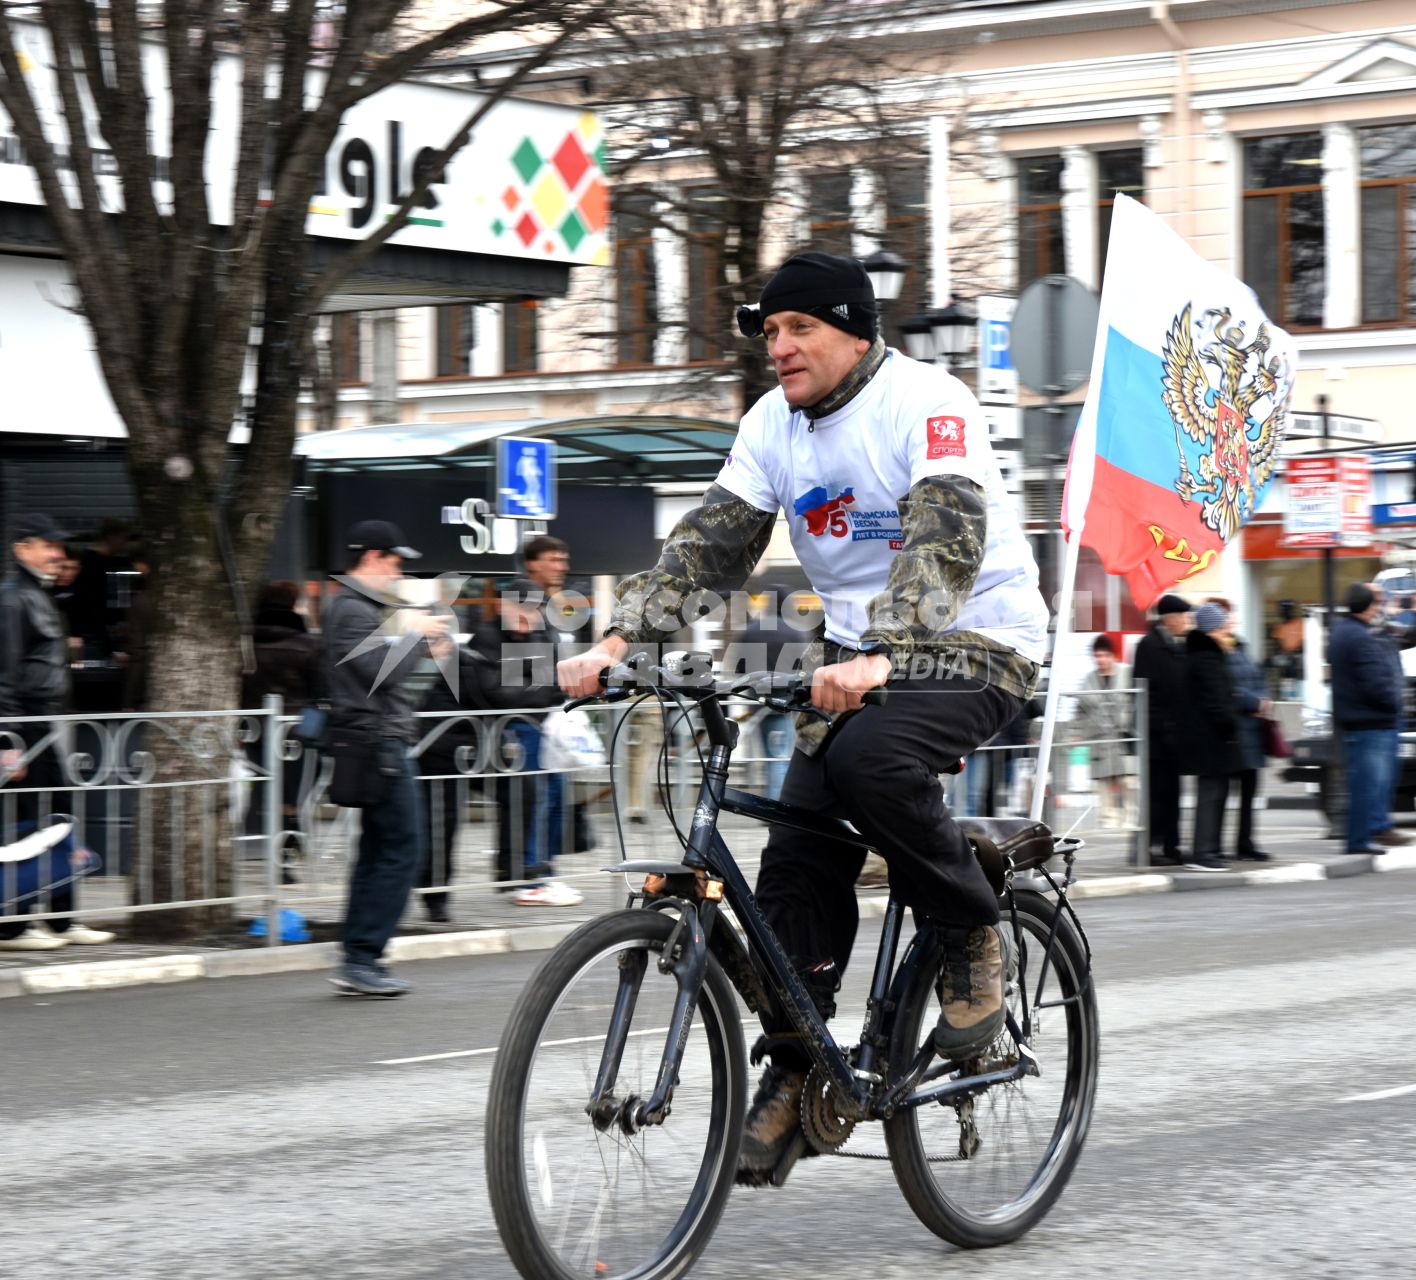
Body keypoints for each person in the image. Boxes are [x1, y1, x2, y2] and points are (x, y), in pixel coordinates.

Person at [558, 250, 1049, 1181]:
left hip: (974, 641)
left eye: (797, 330)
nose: (778, 349)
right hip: (855, 656)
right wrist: (616, 644)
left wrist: (886, 651)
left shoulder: (926, 402)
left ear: (852, 330)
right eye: (769, 333)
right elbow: (710, 545)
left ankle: (971, 930)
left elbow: (944, 531)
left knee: (871, 766)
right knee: (792, 857)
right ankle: (802, 1067)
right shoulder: (771, 426)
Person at [324, 520, 451, 996]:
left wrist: (423, 645)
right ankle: (363, 956)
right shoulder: (353, 609)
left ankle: (359, 955)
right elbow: (378, 671)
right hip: (378, 746)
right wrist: (417, 636)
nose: (399, 574)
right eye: (395, 563)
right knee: (401, 850)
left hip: (382, 741)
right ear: (373, 558)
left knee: (378, 851)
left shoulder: (360, 608)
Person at [0, 513, 116, 950]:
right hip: (24, 724)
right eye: (48, 546)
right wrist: (7, 743)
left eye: (59, 547)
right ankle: (12, 925)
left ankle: (63, 920)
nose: (56, 555)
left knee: (57, 818)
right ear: (22, 548)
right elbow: (3, 675)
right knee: (27, 824)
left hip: (40, 722)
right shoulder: (13, 599)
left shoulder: (36, 595)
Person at [478, 576, 584, 906]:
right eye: (520, 607)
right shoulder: (488, 636)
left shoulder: (541, 633)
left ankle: (542, 870)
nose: (528, 615)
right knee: (532, 799)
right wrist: (540, 689)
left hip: (545, 728)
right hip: (513, 731)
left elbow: (555, 679)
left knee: (554, 796)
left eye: (534, 608)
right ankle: (528, 874)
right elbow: (499, 691)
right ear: (502, 606)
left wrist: (537, 687)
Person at [241, 581, 324, 880]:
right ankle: (287, 849)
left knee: (270, 788)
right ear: (292, 605)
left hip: (256, 728)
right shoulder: (308, 645)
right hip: (298, 730)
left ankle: (282, 847)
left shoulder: (245, 643)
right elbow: (321, 690)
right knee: (294, 792)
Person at [1330, 582, 1402, 856]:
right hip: (1371, 722)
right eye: (1375, 604)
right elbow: (1374, 684)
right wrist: (1394, 703)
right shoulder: (1360, 638)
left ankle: (1359, 838)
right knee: (1367, 786)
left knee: (1364, 783)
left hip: (1360, 721)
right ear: (1367, 607)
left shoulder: (1342, 631)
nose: (1377, 610)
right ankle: (1358, 840)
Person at [1207, 597, 1273, 861]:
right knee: (1222, 794)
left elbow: (1258, 677)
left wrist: (1265, 699)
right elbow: (1228, 688)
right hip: (1232, 733)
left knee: (1249, 793)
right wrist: (1254, 702)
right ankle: (1216, 845)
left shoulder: (1240, 646)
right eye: (1229, 616)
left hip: (1252, 731)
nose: (1233, 620)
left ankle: (1245, 843)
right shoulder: (1216, 651)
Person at [1132, 594, 1193, 866]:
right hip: (1157, 739)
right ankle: (1150, 848)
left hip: (1175, 738)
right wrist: (1164, 727)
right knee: (1157, 796)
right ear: (1170, 618)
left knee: (1173, 796)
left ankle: (1172, 846)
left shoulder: (1175, 646)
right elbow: (1145, 694)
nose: (1187, 622)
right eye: (1184, 617)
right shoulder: (1149, 645)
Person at [1181, 602, 1241, 872]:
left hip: (1210, 736)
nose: (1228, 628)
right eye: (1224, 624)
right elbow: (1216, 700)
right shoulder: (1206, 657)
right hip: (1210, 737)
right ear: (1213, 628)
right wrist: (1229, 723)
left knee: (1217, 793)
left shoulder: (1207, 653)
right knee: (1210, 794)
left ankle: (1211, 849)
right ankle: (1204, 852)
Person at [1072, 635, 1132, 828]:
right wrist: (1076, 732)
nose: (1101, 660)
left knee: (1129, 781)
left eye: (1105, 655)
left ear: (1112, 655)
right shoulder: (1089, 679)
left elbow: (1135, 703)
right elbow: (1079, 709)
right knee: (1103, 783)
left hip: (1124, 736)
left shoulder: (1127, 673)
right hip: (1099, 737)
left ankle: (1131, 818)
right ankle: (1108, 819)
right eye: (1097, 656)